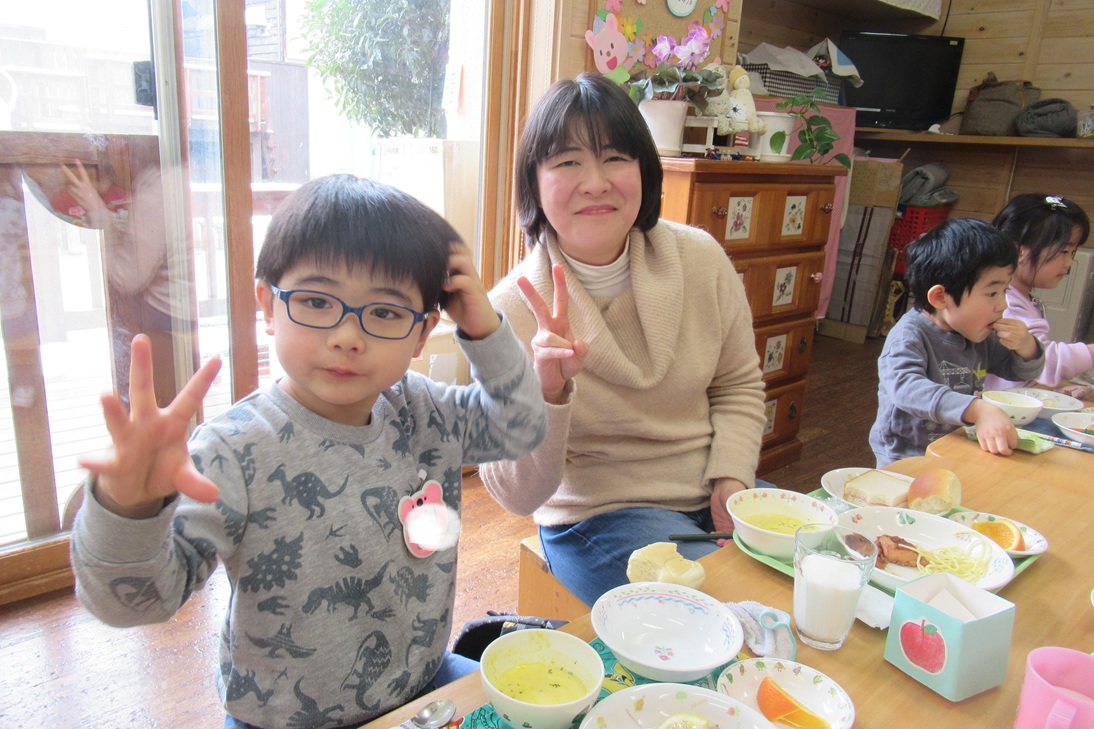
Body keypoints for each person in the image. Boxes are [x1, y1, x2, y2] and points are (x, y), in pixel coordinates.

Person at [70, 174, 554, 729]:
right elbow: (134, 603)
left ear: (422, 335)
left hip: (422, 684)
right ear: (267, 306)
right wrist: (127, 508)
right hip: (279, 720)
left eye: (386, 312)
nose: (347, 336)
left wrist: (485, 329)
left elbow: (521, 428)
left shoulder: (423, 408)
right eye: (317, 301)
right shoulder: (232, 450)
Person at [479, 73, 768, 608]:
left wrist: (732, 477)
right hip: (598, 516)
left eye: (615, 157)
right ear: (534, 183)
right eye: (567, 162)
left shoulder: (701, 259)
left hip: (711, 488)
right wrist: (547, 393)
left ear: (645, 170)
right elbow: (516, 495)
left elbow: (736, 385)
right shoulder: (510, 310)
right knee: (721, 612)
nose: (595, 182)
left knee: (820, 564)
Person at [869, 218, 1045, 467]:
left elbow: (1017, 371)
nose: (1003, 305)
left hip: (954, 448)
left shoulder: (978, 334)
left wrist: (1027, 347)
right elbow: (906, 389)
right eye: (992, 293)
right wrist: (978, 410)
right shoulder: (909, 335)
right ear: (941, 297)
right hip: (905, 457)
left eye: (1005, 291)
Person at [983, 193, 1093, 397]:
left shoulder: (1021, 297)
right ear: (1019, 251)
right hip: (999, 407)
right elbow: (1045, 361)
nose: (1069, 263)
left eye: (1072, 253)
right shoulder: (1004, 302)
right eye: (1064, 251)